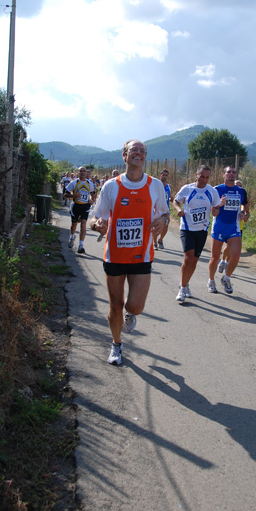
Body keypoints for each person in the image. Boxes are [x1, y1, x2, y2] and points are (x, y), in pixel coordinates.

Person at [89, 140, 169, 366]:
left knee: (135, 306)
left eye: (142, 151)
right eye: (134, 150)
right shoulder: (111, 186)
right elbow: (95, 218)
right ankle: (116, 344)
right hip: (114, 256)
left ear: (145, 158)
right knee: (115, 304)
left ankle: (131, 313)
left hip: (141, 256)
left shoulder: (155, 186)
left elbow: (165, 214)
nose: (139, 153)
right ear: (124, 156)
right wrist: (98, 225)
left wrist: (162, 221)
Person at [173, 165, 222, 303]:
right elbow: (176, 201)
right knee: (188, 258)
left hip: (202, 229)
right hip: (187, 228)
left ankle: (186, 283)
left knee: (194, 261)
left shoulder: (212, 191)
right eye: (202, 177)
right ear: (196, 175)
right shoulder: (187, 189)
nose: (204, 180)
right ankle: (182, 289)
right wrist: (178, 210)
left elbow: (216, 207)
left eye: (207, 177)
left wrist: (215, 211)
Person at [208, 167, 249, 295]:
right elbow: (211, 209)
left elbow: (246, 207)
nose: (231, 174)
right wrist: (219, 204)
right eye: (228, 172)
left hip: (234, 227)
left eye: (233, 172)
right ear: (223, 175)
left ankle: (226, 278)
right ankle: (211, 280)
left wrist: (244, 213)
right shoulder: (217, 189)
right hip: (219, 227)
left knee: (236, 255)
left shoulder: (241, 191)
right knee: (215, 257)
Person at [218, 179, 246, 273]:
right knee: (228, 246)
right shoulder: (227, 193)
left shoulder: (241, 193)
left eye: (239, 186)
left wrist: (243, 213)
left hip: (238, 225)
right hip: (227, 224)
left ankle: (226, 262)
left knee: (231, 247)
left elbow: (244, 205)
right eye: (236, 185)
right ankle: (223, 260)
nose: (238, 187)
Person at [64, 166, 93, 254]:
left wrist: (91, 199)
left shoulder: (89, 183)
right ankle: (72, 236)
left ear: (86, 173)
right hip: (76, 206)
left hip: (85, 206)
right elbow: (65, 195)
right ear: (78, 172)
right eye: (81, 171)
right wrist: (74, 196)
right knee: (74, 225)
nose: (83, 172)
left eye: (84, 171)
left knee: (83, 224)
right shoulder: (74, 183)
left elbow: (91, 193)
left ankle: (81, 245)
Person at [153, 168, 173, 250]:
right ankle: (155, 243)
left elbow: (169, 196)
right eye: (163, 175)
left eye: (166, 175)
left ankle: (160, 239)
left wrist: (171, 198)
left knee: (166, 226)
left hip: (166, 210)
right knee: (156, 227)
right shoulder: (156, 186)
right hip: (157, 209)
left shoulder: (169, 186)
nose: (164, 176)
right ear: (160, 175)